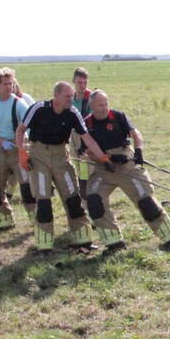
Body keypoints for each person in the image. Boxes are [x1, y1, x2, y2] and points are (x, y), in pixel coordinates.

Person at [82, 89, 170, 252]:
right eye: (100, 105)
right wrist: (108, 159)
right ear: (91, 106)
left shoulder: (118, 116)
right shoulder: (86, 123)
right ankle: (114, 243)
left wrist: (139, 150)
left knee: (146, 201)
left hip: (127, 163)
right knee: (94, 200)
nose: (104, 107)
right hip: (102, 167)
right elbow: (88, 151)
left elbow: (136, 134)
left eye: (106, 103)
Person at [15, 81, 107, 253]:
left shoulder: (73, 112)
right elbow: (20, 130)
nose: (70, 99)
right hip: (39, 155)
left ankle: (84, 240)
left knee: (73, 198)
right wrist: (22, 152)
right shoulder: (39, 108)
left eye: (71, 96)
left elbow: (86, 137)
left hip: (61, 157)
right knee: (43, 202)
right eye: (67, 96)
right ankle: (44, 246)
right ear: (56, 95)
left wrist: (102, 157)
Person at [0, 67, 34, 229]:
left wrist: (23, 143)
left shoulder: (19, 103)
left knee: (27, 188)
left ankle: (37, 221)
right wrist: (1, 141)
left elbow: (30, 125)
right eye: (5, 84)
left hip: (19, 146)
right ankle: (4, 222)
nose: (9, 86)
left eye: (10, 83)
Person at [69, 67, 92, 198]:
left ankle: (85, 196)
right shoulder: (70, 98)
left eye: (84, 83)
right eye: (79, 83)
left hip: (87, 136)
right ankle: (81, 193)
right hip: (72, 136)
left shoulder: (91, 97)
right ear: (74, 82)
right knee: (76, 165)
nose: (82, 86)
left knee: (86, 168)